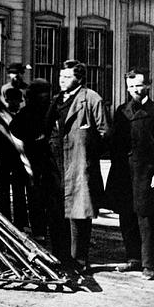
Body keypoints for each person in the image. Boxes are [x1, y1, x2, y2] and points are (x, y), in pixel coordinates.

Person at [46, 60, 110, 274]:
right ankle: (60, 258)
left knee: (79, 213)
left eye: (67, 77)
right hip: (57, 163)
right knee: (57, 212)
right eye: (61, 76)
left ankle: (79, 260)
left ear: (80, 79)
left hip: (79, 162)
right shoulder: (55, 100)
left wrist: (87, 149)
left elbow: (104, 133)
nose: (61, 80)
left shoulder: (92, 99)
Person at [106, 69, 154, 279]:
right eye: (130, 87)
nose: (134, 90)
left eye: (138, 86)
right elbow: (112, 141)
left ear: (147, 84)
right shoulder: (122, 111)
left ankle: (149, 264)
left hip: (146, 171)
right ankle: (133, 258)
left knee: (146, 217)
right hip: (123, 171)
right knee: (126, 214)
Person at [10, 79, 55, 240]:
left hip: (36, 160)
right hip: (32, 159)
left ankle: (33, 227)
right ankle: (37, 229)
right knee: (36, 195)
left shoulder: (31, 112)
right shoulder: (40, 112)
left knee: (35, 195)